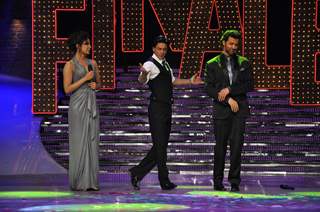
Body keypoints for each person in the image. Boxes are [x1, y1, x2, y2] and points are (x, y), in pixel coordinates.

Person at [129, 35, 204, 190]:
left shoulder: (165, 64)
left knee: (160, 146)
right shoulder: (150, 63)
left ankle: (137, 171)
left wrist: (190, 81)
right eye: (159, 49)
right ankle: (164, 181)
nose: (162, 52)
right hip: (156, 109)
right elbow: (142, 80)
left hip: (166, 108)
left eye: (164, 49)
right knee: (160, 147)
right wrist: (143, 73)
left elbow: (173, 81)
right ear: (154, 49)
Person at [204, 30, 254, 192]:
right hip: (221, 110)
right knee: (220, 147)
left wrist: (230, 90)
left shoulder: (244, 62)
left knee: (237, 147)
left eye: (236, 45)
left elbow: (248, 85)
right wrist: (227, 99)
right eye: (231, 44)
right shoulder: (212, 63)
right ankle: (217, 181)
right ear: (223, 42)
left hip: (239, 110)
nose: (234, 47)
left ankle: (234, 181)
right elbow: (209, 88)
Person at [63, 31, 101, 191]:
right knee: (79, 142)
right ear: (78, 46)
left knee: (92, 141)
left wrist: (96, 86)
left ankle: (91, 182)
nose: (89, 46)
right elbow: (67, 89)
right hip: (77, 107)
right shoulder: (70, 65)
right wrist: (85, 79)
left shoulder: (93, 63)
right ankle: (78, 181)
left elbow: (99, 83)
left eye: (89, 43)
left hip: (91, 105)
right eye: (86, 44)